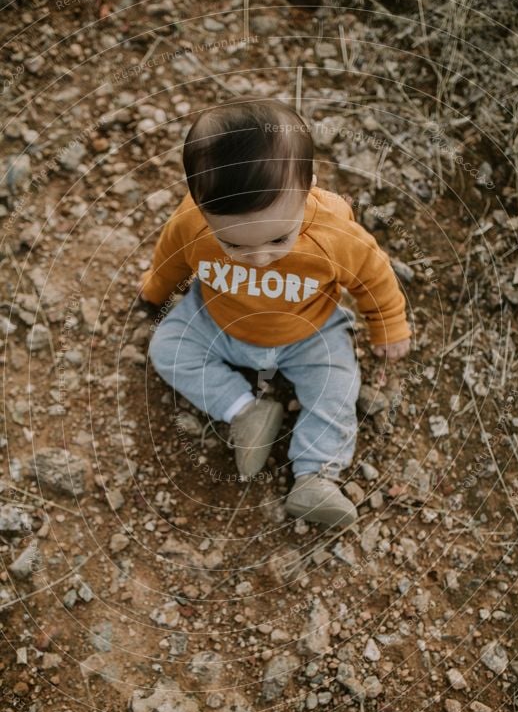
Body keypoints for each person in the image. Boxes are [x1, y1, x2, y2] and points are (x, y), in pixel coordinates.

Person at [138, 99, 411, 529]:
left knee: (336, 385)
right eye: (236, 246)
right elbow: (170, 258)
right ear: (199, 204)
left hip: (309, 330)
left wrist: (389, 324)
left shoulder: (334, 233)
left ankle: (316, 476)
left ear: (309, 191)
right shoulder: (191, 224)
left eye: (278, 240)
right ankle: (244, 410)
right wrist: (154, 292)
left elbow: (373, 276)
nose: (259, 258)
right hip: (216, 320)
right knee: (168, 346)